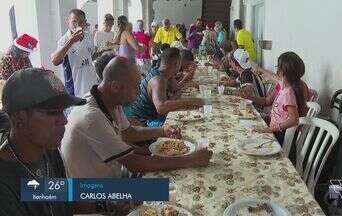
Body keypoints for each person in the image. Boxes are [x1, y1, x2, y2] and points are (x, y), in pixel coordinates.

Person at [60, 56, 212, 178]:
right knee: (167, 191)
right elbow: (134, 163)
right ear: (115, 86)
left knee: (170, 180)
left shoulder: (109, 100)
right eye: (136, 87)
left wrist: (163, 130)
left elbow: (128, 133)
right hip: (93, 196)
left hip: (114, 174)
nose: (139, 92)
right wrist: (191, 160)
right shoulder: (91, 117)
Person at [0, 68, 116, 215]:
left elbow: (56, 196)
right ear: (19, 118)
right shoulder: (5, 183)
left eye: (63, 111)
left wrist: (107, 204)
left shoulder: (48, 151)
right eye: (53, 112)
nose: (64, 120)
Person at [123, 48, 205, 127]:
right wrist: (190, 101)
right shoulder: (158, 80)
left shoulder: (167, 74)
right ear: (177, 64)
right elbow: (161, 108)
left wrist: (173, 99)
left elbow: (176, 89)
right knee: (182, 126)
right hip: (144, 121)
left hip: (154, 115)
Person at [246, 52, 308, 144]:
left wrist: (271, 129)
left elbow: (294, 119)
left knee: (250, 138)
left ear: (281, 72)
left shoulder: (288, 93)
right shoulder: (285, 86)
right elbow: (273, 77)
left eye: (277, 67)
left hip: (281, 136)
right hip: (277, 132)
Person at [51, 9, 98, 98]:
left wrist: (102, 52)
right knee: (76, 111)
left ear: (85, 23)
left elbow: (89, 56)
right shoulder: (64, 40)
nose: (77, 25)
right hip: (75, 89)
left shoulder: (89, 36)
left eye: (81, 22)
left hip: (91, 84)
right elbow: (55, 61)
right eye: (74, 22)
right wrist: (71, 40)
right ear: (68, 22)